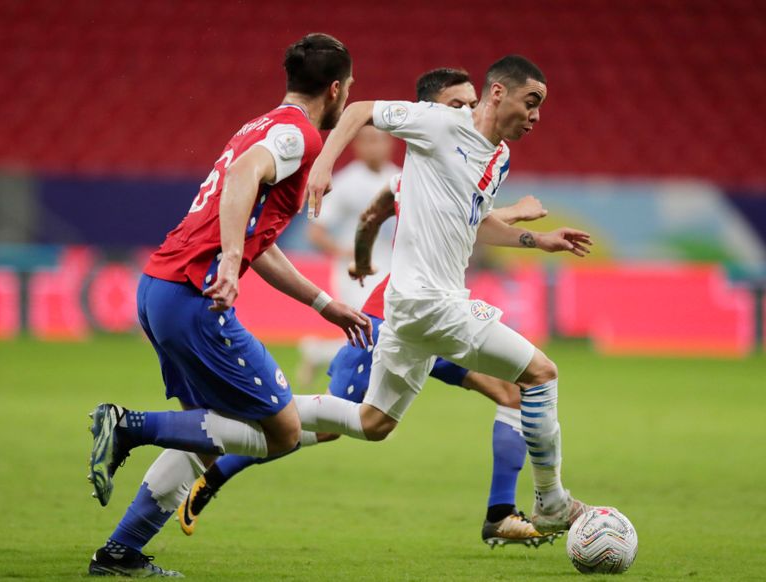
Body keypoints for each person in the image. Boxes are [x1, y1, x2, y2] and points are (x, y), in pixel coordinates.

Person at [177, 69, 555, 548]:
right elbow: (375, 215)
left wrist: (526, 227)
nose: (466, 112)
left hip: (433, 314)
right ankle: (222, 455)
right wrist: (357, 265)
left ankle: (501, 512)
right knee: (341, 425)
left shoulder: (464, 162)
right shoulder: (423, 157)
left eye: (469, 103)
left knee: (514, 393)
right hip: (389, 317)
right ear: (431, 109)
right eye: (455, 104)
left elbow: (457, 218)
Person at [85, 33, 370, 577]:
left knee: (209, 431)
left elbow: (257, 234)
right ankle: (128, 426)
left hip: (161, 288)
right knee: (282, 431)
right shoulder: (298, 135)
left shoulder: (257, 126)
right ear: (335, 90)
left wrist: (322, 303)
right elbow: (242, 180)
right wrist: (232, 263)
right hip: (194, 294)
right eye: (350, 87)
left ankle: (120, 553)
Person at [295, 55, 594, 535]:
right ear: (498, 92)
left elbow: (473, 224)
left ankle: (256, 409)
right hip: (430, 303)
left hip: (415, 311)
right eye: (531, 101)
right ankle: (552, 502)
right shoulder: (437, 123)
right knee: (539, 375)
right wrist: (322, 166)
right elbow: (358, 111)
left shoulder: (498, 158)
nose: (537, 115)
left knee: (373, 422)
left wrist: (538, 240)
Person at [297, 125, 400, 388]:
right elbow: (315, 232)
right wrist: (346, 252)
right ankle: (351, 393)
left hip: (392, 268)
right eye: (368, 141)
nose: (374, 146)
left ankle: (318, 353)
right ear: (357, 146)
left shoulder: (400, 178)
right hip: (355, 272)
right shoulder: (346, 183)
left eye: (379, 140)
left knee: (385, 333)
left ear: (390, 143)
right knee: (372, 329)